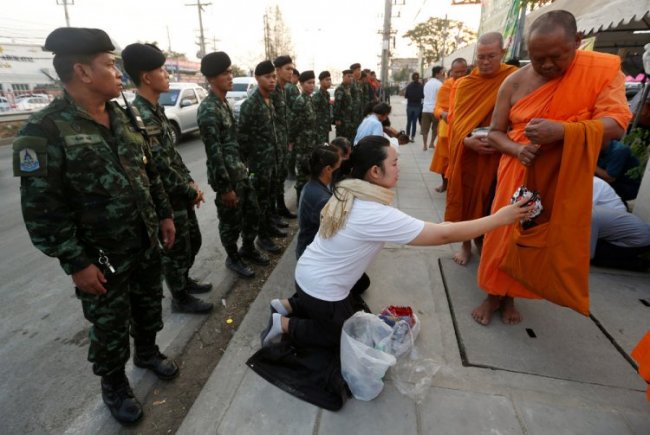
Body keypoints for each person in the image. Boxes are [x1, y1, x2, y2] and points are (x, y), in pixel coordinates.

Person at [14, 27, 179, 424]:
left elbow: (149, 171)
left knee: (146, 303)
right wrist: (76, 262)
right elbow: (42, 211)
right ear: (82, 72)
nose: (118, 71)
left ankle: (148, 351)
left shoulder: (123, 115)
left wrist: (164, 214)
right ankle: (115, 384)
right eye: (109, 64)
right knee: (108, 324)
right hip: (100, 256)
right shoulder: (43, 131)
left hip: (142, 239)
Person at [261, 135, 532, 348]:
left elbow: (436, 229)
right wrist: (500, 218)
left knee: (353, 299)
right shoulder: (373, 212)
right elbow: (443, 236)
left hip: (308, 274)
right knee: (338, 334)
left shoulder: (347, 190)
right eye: (393, 163)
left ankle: (288, 304)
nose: (398, 168)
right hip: (320, 287)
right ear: (375, 172)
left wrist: (445, 226)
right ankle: (283, 324)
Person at [476, 10, 632, 325]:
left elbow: (617, 123)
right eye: (537, 59)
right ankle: (493, 294)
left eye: (556, 57)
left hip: (561, 173)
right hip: (516, 171)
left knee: (538, 236)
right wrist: (518, 148)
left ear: (577, 42)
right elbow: (494, 133)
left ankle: (513, 296)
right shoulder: (514, 82)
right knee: (502, 235)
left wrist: (562, 131)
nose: (547, 65)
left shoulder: (599, 71)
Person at [122, 43, 213, 314]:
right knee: (176, 250)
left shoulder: (156, 109)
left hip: (179, 192)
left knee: (191, 242)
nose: (167, 74)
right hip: (167, 198)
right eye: (161, 70)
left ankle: (183, 281)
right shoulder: (140, 114)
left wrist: (190, 183)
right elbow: (159, 166)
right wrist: (188, 190)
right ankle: (180, 297)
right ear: (146, 77)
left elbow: (172, 156)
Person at [445, 33, 518, 267]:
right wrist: (466, 140)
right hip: (470, 156)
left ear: (502, 54)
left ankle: (483, 239)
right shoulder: (466, 84)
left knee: (492, 200)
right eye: (481, 57)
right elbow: (456, 121)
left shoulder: (513, 78)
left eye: (491, 56)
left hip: (500, 155)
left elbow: (520, 118)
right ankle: (465, 243)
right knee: (466, 198)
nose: (485, 62)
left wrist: (502, 140)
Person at [198, 52, 271, 278]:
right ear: (211, 79)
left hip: (240, 172)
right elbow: (214, 153)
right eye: (224, 73)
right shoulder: (209, 109)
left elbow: (233, 143)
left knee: (252, 213)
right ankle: (233, 257)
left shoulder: (224, 103)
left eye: (230, 72)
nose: (230, 76)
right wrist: (225, 187)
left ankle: (247, 248)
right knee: (230, 223)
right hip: (227, 179)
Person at [239, 60, 288, 255]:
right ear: (257, 78)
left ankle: (268, 228)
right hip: (258, 164)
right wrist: (246, 166)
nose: (272, 80)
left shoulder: (270, 100)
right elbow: (242, 138)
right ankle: (262, 238)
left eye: (273, 76)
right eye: (267, 77)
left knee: (268, 199)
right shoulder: (250, 104)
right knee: (259, 202)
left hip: (272, 160)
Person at [429, 58, 468, 192]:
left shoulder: (472, 84)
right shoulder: (447, 86)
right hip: (447, 127)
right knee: (445, 160)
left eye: (463, 72)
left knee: (461, 160)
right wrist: (443, 114)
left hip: (466, 126)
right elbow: (437, 108)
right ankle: (445, 184)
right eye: (456, 72)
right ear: (451, 72)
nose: (460, 75)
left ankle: (457, 185)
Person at [296, 145, 341, 259]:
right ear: (328, 170)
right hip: (313, 256)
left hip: (306, 247)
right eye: (337, 168)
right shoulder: (322, 199)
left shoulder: (312, 185)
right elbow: (335, 231)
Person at [271, 55, 298, 220]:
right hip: (273, 144)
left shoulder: (282, 90)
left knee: (280, 177)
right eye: (287, 69)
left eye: (292, 69)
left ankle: (280, 208)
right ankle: (274, 213)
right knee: (273, 181)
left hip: (282, 141)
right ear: (278, 70)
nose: (291, 72)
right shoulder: (273, 90)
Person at [289, 70, 318, 202]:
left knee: (309, 174)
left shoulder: (310, 99)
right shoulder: (300, 101)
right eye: (308, 83)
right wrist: (292, 142)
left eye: (313, 82)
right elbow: (294, 124)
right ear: (301, 84)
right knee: (302, 177)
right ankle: (300, 203)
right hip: (302, 145)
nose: (311, 85)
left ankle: (306, 201)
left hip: (310, 144)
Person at [421, 66, 445, 151]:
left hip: (425, 109)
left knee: (425, 129)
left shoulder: (427, 84)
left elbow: (425, 95)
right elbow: (441, 97)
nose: (443, 74)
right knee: (435, 128)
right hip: (435, 109)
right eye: (442, 73)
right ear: (437, 74)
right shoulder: (440, 84)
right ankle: (431, 143)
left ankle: (424, 145)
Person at [333, 69, 354, 142]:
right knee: (341, 141)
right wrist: (337, 119)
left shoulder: (348, 88)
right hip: (342, 121)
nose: (351, 78)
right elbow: (337, 105)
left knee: (347, 140)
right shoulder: (340, 89)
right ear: (343, 77)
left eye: (352, 76)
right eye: (349, 76)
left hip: (348, 120)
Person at [313, 70, 333, 144]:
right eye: (326, 79)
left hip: (325, 126)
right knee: (320, 147)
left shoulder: (327, 94)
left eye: (330, 79)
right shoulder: (317, 96)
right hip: (319, 128)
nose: (329, 81)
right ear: (321, 81)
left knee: (326, 146)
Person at [404, 72, 424, 142]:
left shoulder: (409, 86)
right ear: (418, 78)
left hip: (410, 105)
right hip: (417, 106)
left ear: (412, 78)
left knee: (409, 121)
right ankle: (412, 137)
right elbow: (422, 96)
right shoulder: (421, 86)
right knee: (414, 122)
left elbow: (406, 96)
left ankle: (407, 136)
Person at [349, 63, 363, 130]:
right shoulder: (350, 83)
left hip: (358, 113)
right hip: (352, 114)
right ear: (353, 71)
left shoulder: (358, 83)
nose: (360, 72)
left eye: (360, 70)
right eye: (358, 70)